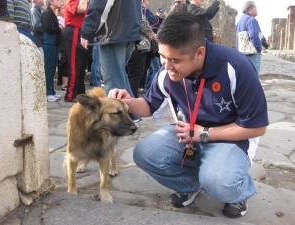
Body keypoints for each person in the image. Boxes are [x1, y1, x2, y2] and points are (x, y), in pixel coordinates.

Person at [109, 12, 268, 218]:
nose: (166, 66)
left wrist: (204, 133)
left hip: (230, 139)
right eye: (162, 57)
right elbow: (148, 105)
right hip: (188, 133)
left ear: (199, 53)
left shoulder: (235, 67)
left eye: (175, 60)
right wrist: (129, 103)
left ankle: (237, 193)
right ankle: (192, 185)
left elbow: (257, 126)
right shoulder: (167, 72)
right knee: (144, 154)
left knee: (219, 183)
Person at [80, 0, 142, 121]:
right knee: (119, 75)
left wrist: (88, 30)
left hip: (114, 32)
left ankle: (123, 119)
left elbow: (100, 4)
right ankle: (132, 113)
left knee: (113, 79)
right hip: (129, 30)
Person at [63, 0, 89, 102]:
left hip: (81, 32)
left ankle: (80, 93)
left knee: (82, 66)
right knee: (75, 66)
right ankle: (70, 95)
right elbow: (82, 9)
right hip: (73, 31)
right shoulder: (70, 1)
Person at [126, 14, 155, 98]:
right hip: (137, 47)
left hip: (128, 45)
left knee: (131, 74)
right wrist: (152, 36)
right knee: (136, 74)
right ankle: (132, 98)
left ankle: (131, 97)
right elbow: (144, 26)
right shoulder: (135, 10)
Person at [41, 0, 62, 102]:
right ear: (52, 2)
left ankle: (51, 91)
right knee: (48, 68)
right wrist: (60, 29)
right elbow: (47, 28)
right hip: (49, 43)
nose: (60, 2)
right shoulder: (47, 13)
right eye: (58, 0)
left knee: (52, 68)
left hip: (53, 43)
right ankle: (48, 93)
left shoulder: (51, 13)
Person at [236, 1, 262, 74]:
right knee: (253, 76)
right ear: (250, 9)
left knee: (245, 76)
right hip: (251, 53)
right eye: (255, 8)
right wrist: (258, 48)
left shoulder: (240, 21)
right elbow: (254, 35)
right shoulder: (252, 20)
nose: (256, 9)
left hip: (242, 53)